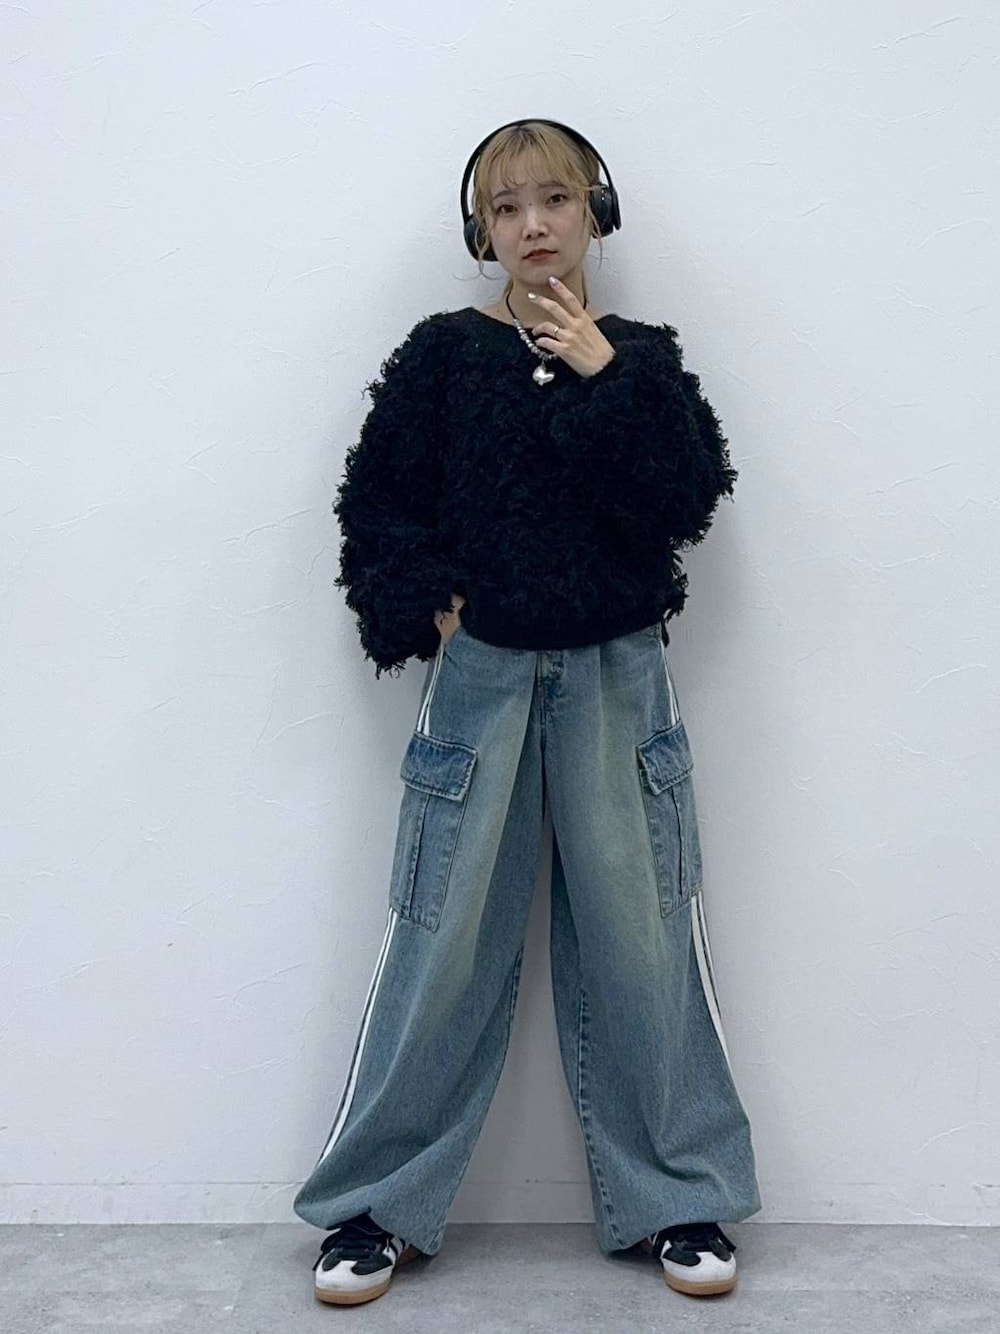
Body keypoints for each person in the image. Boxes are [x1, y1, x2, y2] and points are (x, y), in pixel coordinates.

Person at [292, 118, 762, 1307]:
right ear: (480, 231)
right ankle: (377, 1204)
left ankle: (677, 1194)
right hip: (484, 678)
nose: (532, 225)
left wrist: (606, 371)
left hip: (617, 673)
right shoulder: (444, 357)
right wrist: (432, 607)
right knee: (439, 935)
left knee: (644, 935)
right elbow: (376, 503)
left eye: (553, 199)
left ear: (596, 211)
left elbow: (686, 496)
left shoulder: (642, 359)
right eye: (506, 208)